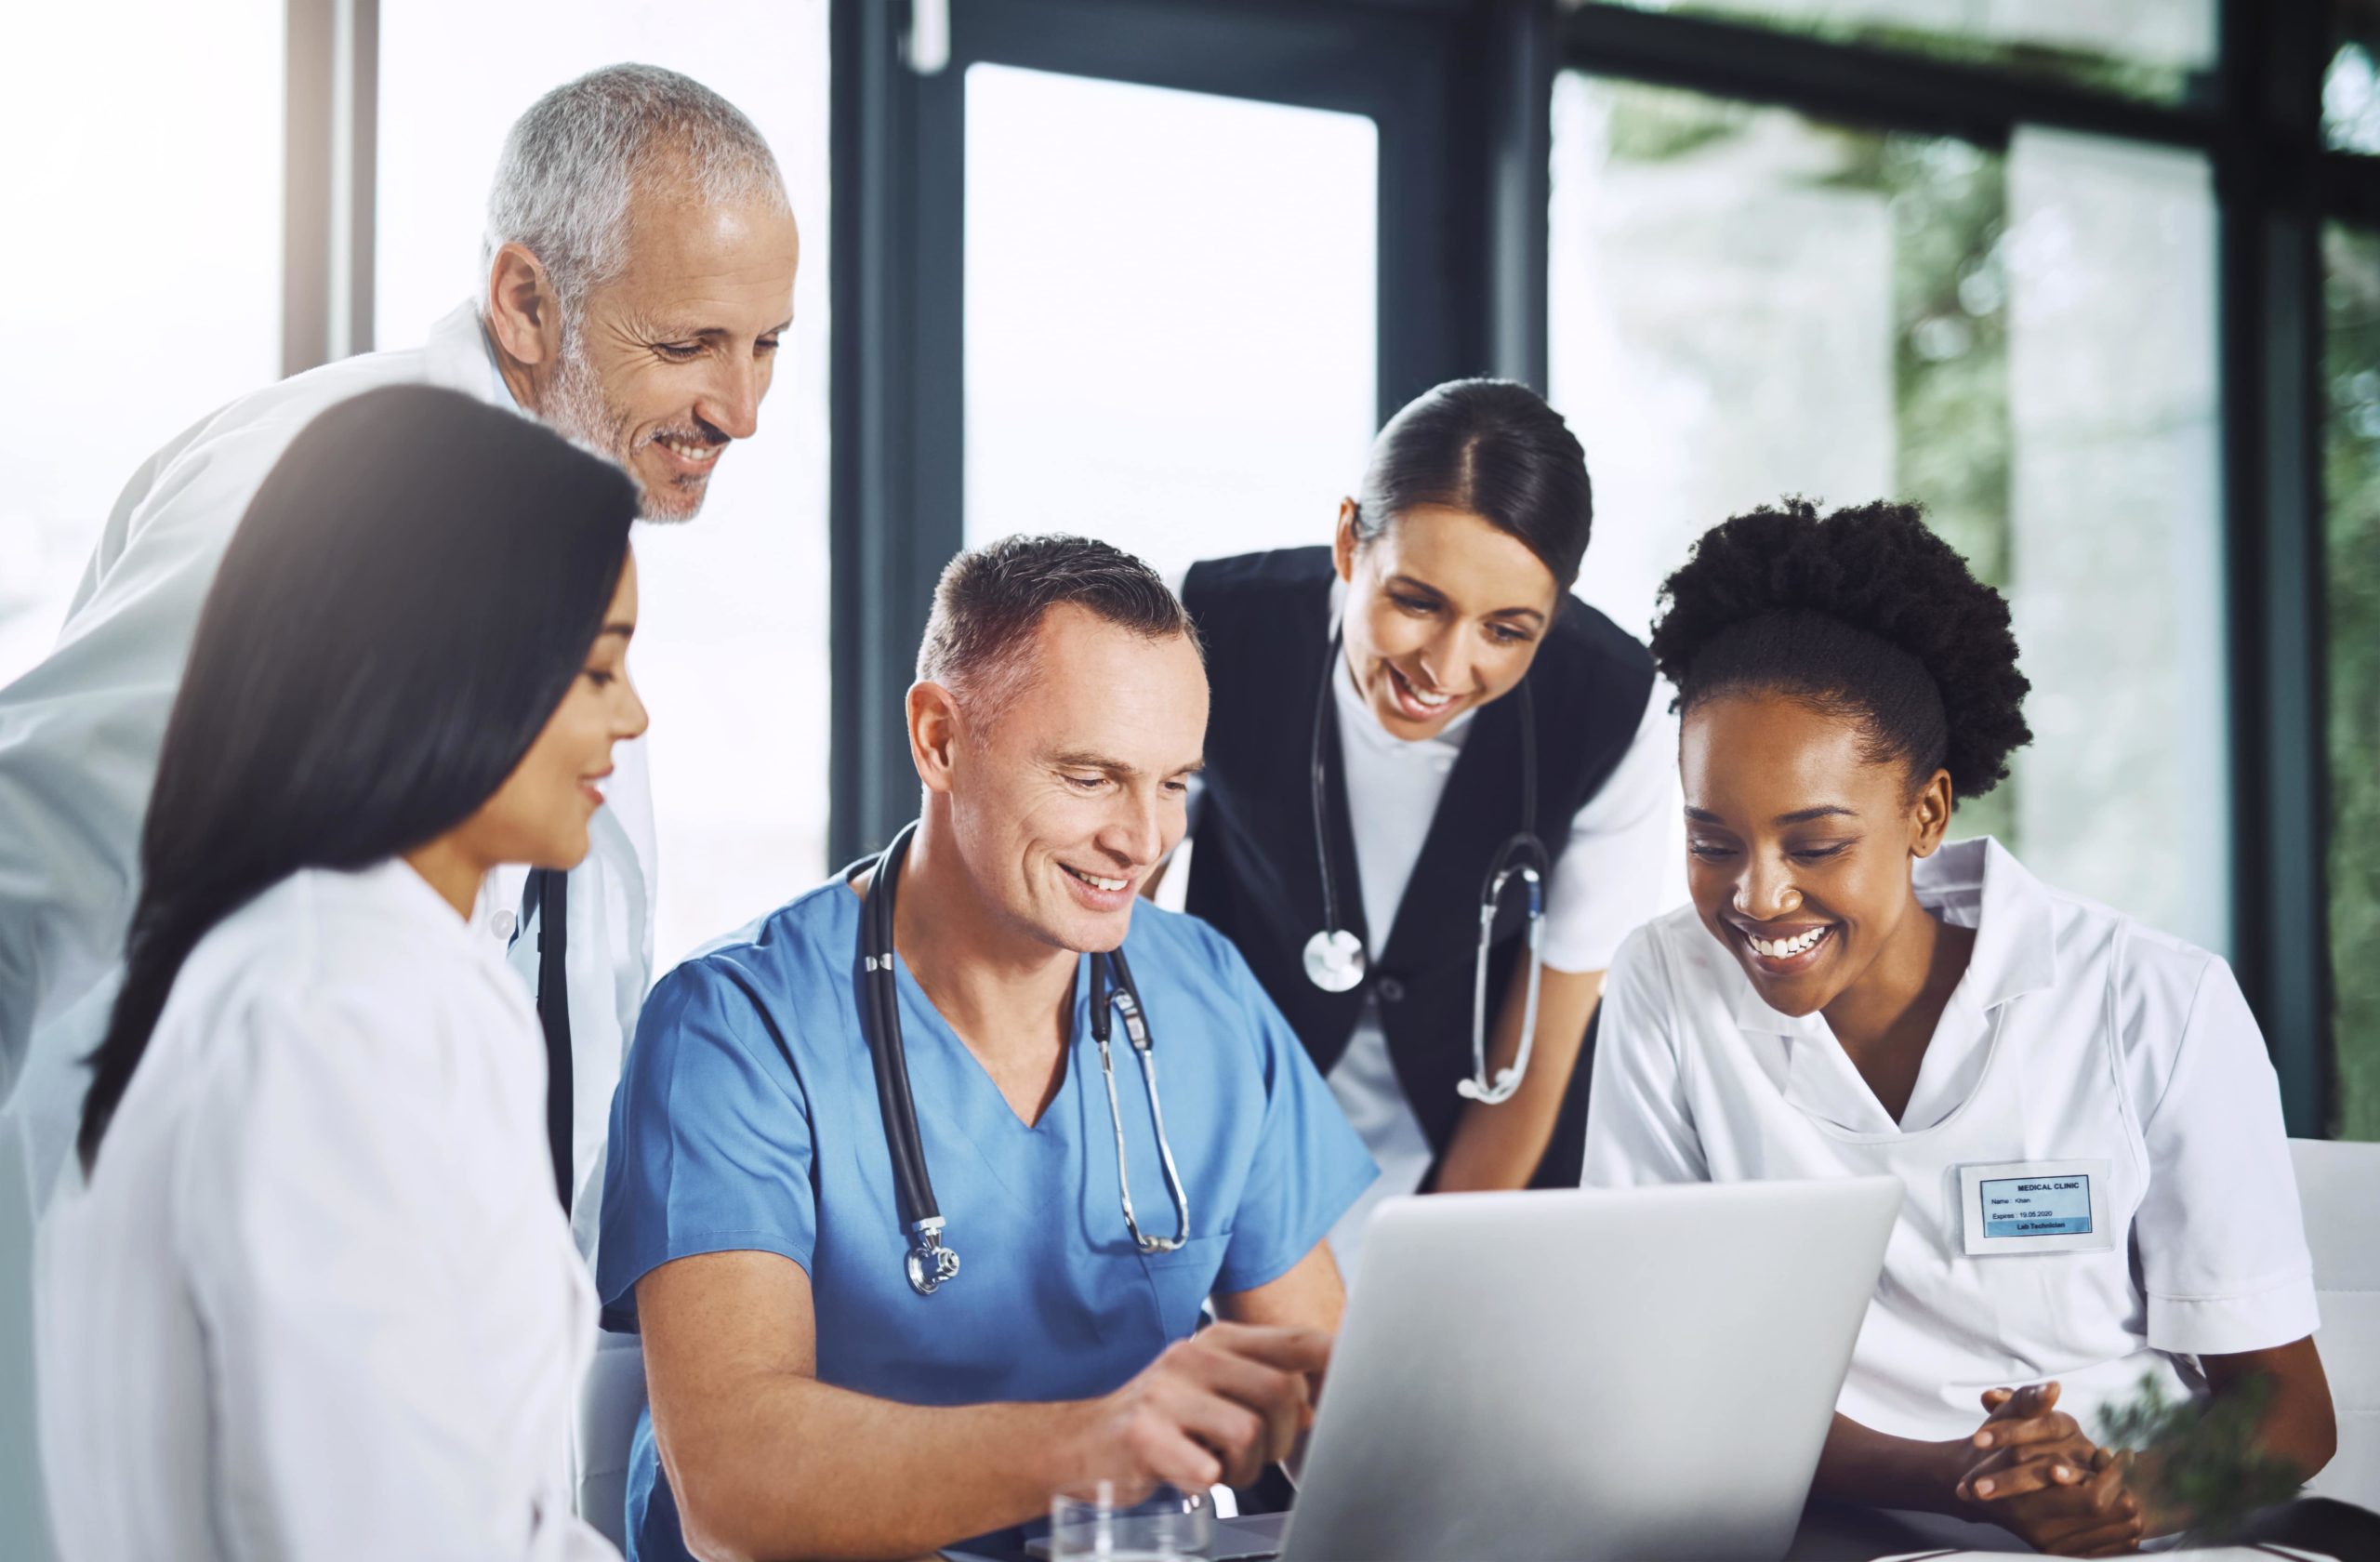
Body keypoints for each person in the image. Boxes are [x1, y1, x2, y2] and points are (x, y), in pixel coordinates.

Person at [0, 64, 801, 1251]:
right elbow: (34, 863)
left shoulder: (559, 545)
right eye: (690, 345)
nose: (741, 411)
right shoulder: (315, 489)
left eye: (766, 346)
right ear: (527, 302)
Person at [595, 536, 1376, 1561]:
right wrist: (1100, 1441)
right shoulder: (736, 1025)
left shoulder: (1206, 996)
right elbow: (732, 1488)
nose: (1143, 840)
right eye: (1092, 777)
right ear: (938, 739)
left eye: (1175, 783)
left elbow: (1335, 1415)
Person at [1583, 498, 2338, 1556]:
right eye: (1713, 842)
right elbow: (1671, 1371)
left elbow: (2290, 1410)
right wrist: (1959, 1481)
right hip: (1827, 1524)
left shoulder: (2148, 999)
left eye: (1814, 845)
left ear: (1927, 815)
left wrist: (2127, 1495)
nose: (1756, 898)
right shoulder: (1666, 984)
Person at [37, 387, 645, 1560]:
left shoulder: (348, 969)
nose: (635, 719)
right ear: (456, 666)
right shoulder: (330, 1013)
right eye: (598, 672)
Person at [1173, 379, 1673, 1273]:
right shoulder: (1213, 626)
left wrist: (1424, 1284)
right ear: (1347, 541)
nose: (1445, 667)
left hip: (1489, 1151)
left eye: (1508, 631)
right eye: (1416, 601)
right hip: (1241, 1129)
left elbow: (1541, 1057)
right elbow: (1100, 909)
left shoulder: (1615, 708)